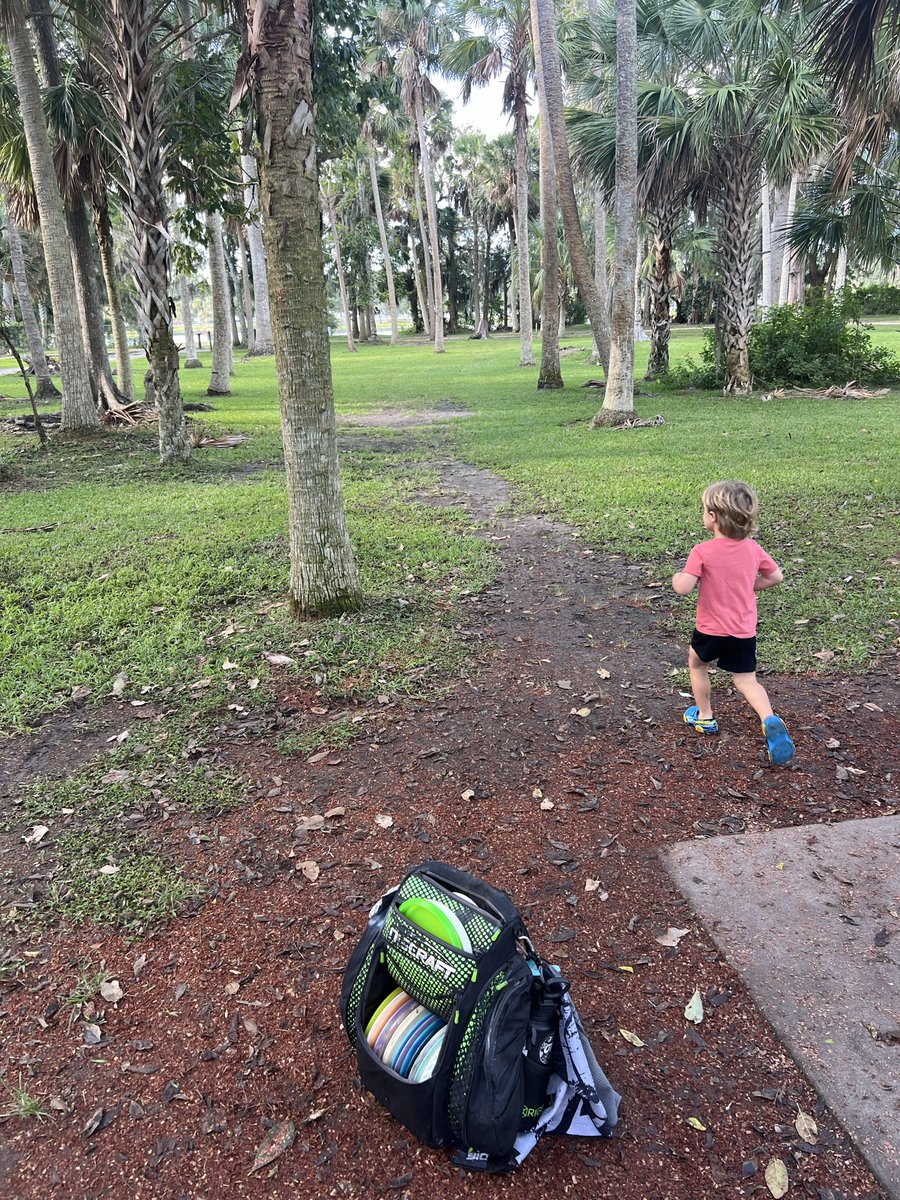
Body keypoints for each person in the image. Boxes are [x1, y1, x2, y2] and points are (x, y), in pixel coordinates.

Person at [671, 480, 795, 765]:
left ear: (713, 517)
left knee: (697, 664)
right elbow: (776, 577)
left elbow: (684, 588)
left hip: (711, 630)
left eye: (704, 510)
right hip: (743, 631)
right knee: (746, 680)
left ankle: (705, 717)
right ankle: (769, 718)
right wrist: (751, 586)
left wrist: (677, 577)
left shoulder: (702, 551)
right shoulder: (752, 548)